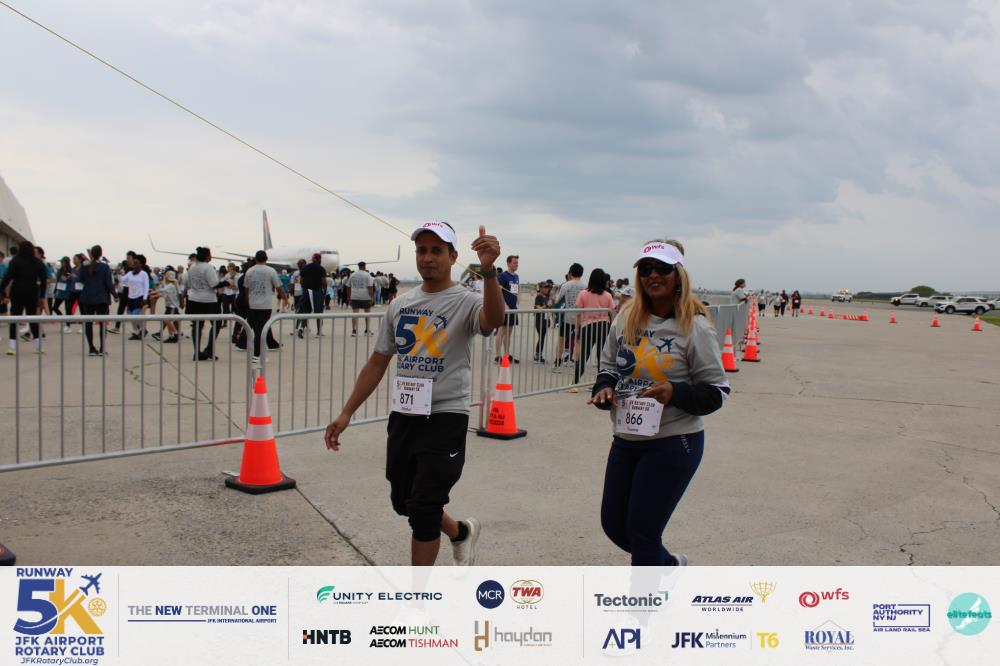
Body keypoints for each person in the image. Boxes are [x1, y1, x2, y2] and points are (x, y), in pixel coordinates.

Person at [324, 221, 505, 566]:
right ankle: (461, 533)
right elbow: (378, 361)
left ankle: (418, 594)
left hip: (446, 416)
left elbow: (494, 319)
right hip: (405, 415)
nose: (428, 257)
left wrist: (489, 271)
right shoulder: (400, 304)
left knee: (423, 508)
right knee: (406, 502)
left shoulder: (466, 301)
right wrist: (346, 412)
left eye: (437, 250)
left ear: (453, 256)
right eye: (422, 250)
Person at [589, 239, 729, 566]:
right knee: (614, 525)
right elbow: (609, 366)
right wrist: (604, 389)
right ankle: (670, 566)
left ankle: (646, 599)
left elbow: (717, 391)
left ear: (678, 274)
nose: (653, 275)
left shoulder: (695, 326)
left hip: (673, 441)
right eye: (646, 269)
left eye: (663, 268)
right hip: (626, 439)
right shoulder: (627, 317)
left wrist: (675, 392)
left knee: (642, 532)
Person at [1, 240, 48, 355]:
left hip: (17, 292)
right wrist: (42, 296)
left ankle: (12, 347)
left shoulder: (15, 261)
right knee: (33, 319)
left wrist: (3, 293)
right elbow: (44, 280)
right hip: (32, 293)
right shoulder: (37, 262)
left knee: (14, 319)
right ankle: (38, 347)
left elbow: (7, 278)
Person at [574, 268, 615, 385]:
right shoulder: (607, 295)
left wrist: (577, 329)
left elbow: (578, 314)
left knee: (583, 356)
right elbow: (612, 313)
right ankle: (601, 384)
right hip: (603, 326)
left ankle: (575, 383)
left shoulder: (583, 294)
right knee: (601, 357)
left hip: (587, 326)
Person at [244, 250, 288, 360]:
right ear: (266, 259)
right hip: (265, 305)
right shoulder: (270, 271)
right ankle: (257, 355)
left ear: (255, 259)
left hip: (253, 304)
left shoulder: (249, 271)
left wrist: (247, 301)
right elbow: (279, 287)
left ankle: (259, 351)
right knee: (261, 331)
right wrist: (285, 299)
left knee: (257, 330)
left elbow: (246, 288)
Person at [184, 247, 223, 361]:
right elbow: (214, 284)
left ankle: (197, 352)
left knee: (197, 325)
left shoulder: (192, 267)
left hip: (194, 299)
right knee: (217, 323)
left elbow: (189, 284)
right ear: (206, 256)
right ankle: (209, 349)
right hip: (208, 300)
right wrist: (227, 282)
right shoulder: (208, 267)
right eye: (210, 254)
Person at [78, 245, 116, 356]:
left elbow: (81, 279)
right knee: (102, 324)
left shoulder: (85, 266)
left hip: (87, 297)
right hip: (101, 298)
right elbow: (108, 283)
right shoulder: (104, 266)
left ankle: (91, 348)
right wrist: (115, 295)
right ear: (101, 254)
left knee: (88, 323)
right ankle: (102, 348)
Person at [553, 263, 585, 369]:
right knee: (578, 341)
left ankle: (558, 363)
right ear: (581, 274)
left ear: (570, 273)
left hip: (567, 317)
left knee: (561, 340)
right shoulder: (585, 287)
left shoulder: (566, 285)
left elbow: (557, 299)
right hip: (580, 318)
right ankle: (577, 364)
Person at [296, 252, 327, 338]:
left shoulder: (305, 268)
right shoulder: (321, 268)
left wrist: (305, 289)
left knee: (306, 312)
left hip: (307, 292)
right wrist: (324, 292)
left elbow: (301, 281)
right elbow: (324, 282)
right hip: (317, 292)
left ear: (313, 259)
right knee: (319, 312)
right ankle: (319, 332)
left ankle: (302, 328)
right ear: (319, 259)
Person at [496, 255, 520, 363]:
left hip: (513, 308)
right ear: (508, 263)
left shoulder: (516, 276)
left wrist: (518, 297)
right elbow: (497, 291)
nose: (516, 264)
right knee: (502, 331)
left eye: (517, 263)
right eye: (514, 262)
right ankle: (497, 356)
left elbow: (516, 289)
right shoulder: (503, 276)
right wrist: (504, 304)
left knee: (509, 332)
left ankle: (506, 355)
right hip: (504, 308)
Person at [346, 261, 375, 336]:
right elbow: (370, 287)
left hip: (354, 296)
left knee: (355, 314)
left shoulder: (353, 275)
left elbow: (348, 286)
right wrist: (372, 297)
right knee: (367, 313)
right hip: (365, 297)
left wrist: (349, 297)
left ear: (358, 266)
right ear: (364, 266)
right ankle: (367, 330)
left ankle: (354, 330)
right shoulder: (367, 274)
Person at [152, 270, 181, 343]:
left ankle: (175, 334)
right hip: (169, 306)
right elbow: (165, 294)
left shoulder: (171, 285)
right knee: (167, 321)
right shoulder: (171, 285)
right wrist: (156, 295)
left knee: (167, 320)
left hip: (172, 307)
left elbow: (163, 290)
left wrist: (153, 292)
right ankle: (171, 336)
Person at [532, 280, 553, 363]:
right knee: (541, 338)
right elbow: (538, 308)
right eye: (545, 287)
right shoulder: (539, 297)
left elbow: (548, 308)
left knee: (542, 338)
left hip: (545, 320)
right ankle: (538, 356)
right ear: (540, 288)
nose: (547, 289)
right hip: (540, 321)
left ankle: (538, 355)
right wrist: (547, 305)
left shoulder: (546, 297)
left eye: (548, 287)